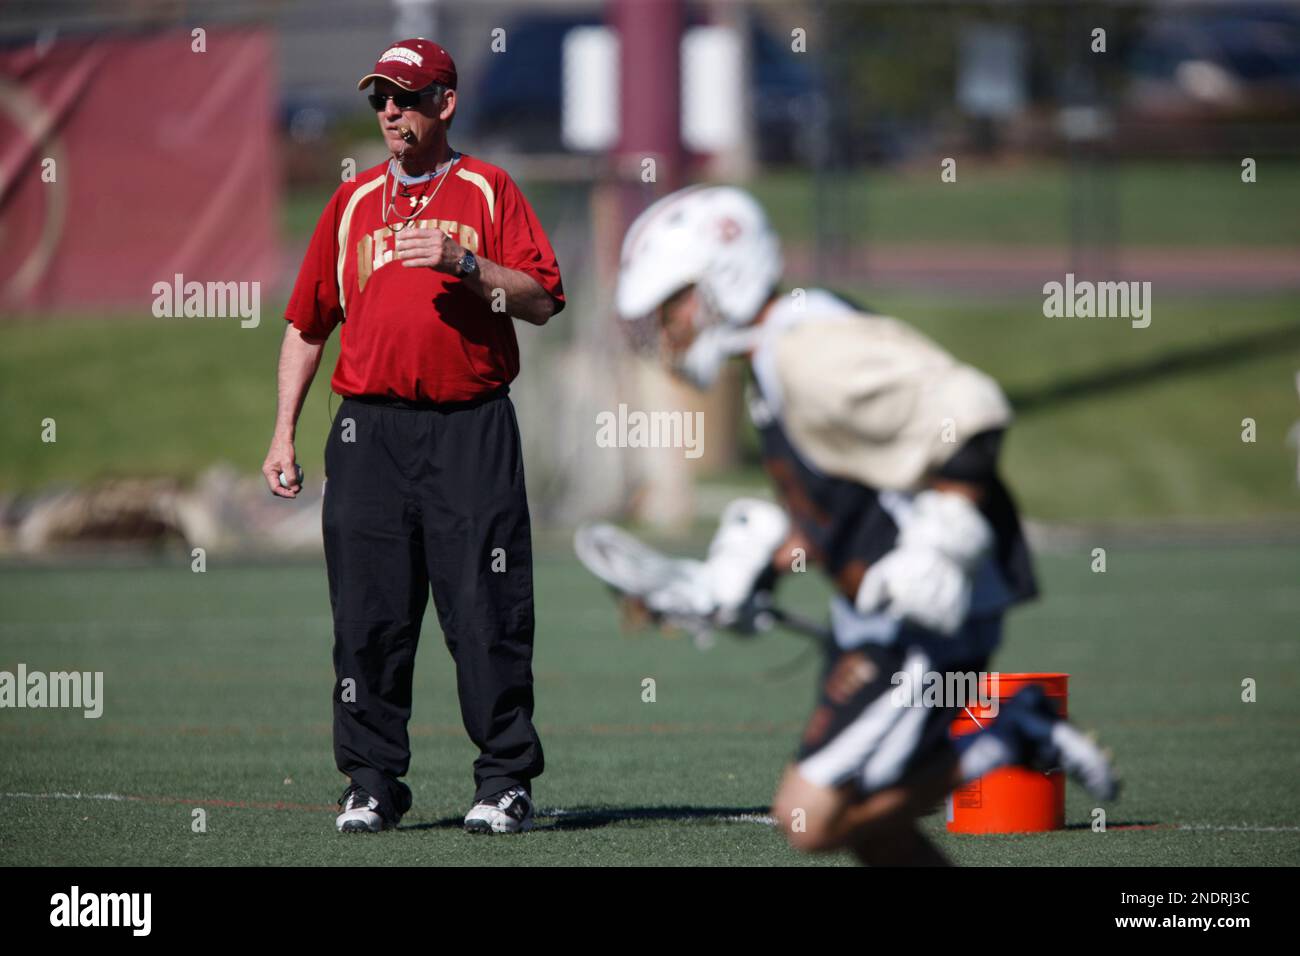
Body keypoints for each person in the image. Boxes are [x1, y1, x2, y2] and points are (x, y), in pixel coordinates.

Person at [614, 184, 1117, 865]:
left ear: (721, 279)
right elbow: (844, 502)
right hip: (882, 611)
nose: (668, 330)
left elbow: (969, 407)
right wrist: (740, 576)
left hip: (922, 611)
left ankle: (1010, 735)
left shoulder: (805, 349)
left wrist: (943, 543)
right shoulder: (773, 350)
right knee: (874, 830)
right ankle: (1007, 737)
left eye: (672, 305)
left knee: (809, 817)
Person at [262, 38, 564, 835]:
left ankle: (503, 780)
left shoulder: (489, 190)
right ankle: (370, 781)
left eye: (405, 95)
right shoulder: (353, 200)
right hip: (368, 433)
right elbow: (305, 325)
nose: (390, 111)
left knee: (486, 608)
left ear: (445, 103)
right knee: (367, 615)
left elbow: (539, 299)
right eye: (379, 98)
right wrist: (282, 435)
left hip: (470, 427)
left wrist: (468, 265)